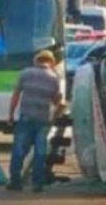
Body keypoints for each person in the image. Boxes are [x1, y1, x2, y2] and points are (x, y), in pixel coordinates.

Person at [6, 50, 63, 192]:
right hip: (43, 119)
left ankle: (15, 182)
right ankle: (37, 183)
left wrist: (11, 115)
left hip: (26, 117)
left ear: (36, 60)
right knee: (40, 152)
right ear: (51, 62)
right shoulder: (54, 78)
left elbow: (16, 95)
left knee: (19, 150)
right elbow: (56, 101)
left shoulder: (25, 73)